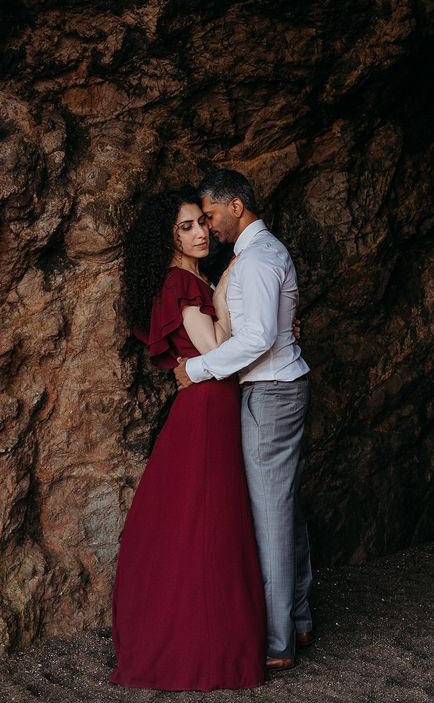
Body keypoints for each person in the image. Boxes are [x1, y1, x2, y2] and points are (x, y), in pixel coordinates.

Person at [109, 187, 266, 691]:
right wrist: (221, 295)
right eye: (186, 227)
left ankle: (203, 643)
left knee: (202, 522)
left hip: (206, 408)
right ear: (168, 237)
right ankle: (205, 653)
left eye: (202, 222)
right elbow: (215, 350)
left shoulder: (189, 279)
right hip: (206, 410)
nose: (201, 232)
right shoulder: (183, 282)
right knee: (206, 526)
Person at [174, 169, 314, 671]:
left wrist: (197, 367)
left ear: (236, 206)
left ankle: (278, 642)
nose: (208, 227)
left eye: (210, 215)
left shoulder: (256, 259)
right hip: (282, 387)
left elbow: (256, 339)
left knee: (271, 515)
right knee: (287, 507)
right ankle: (297, 616)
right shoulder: (262, 254)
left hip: (271, 391)